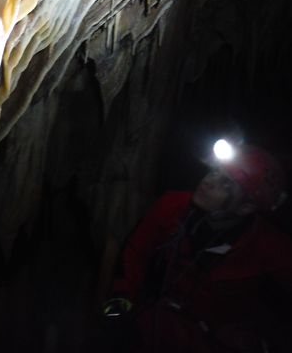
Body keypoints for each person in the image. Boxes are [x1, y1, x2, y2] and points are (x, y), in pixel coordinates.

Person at [103, 143, 292, 352]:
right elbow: (134, 254)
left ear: (246, 207)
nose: (208, 181)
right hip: (152, 326)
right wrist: (118, 305)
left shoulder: (270, 247)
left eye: (226, 184)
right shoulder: (172, 206)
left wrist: (264, 341)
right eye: (215, 172)